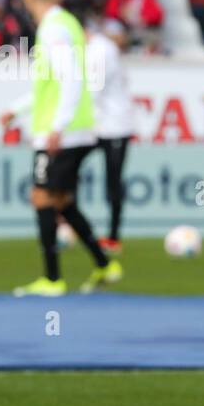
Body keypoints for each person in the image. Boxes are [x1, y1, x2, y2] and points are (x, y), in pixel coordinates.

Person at [1, 0, 122, 297]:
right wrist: (18, 109)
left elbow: (69, 78)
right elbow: (53, 85)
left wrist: (58, 125)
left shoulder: (52, 28)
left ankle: (52, 280)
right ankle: (104, 264)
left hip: (61, 131)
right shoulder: (68, 23)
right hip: (74, 127)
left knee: (41, 198)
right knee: (62, 201)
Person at [87, 20, 132, 257]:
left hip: (112, 126)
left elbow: (95, 89)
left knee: (113, 182)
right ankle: (70, 225)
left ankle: (113, 237)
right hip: (102, 124)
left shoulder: (100, 49)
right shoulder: (100, 48)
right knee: (68, 168)